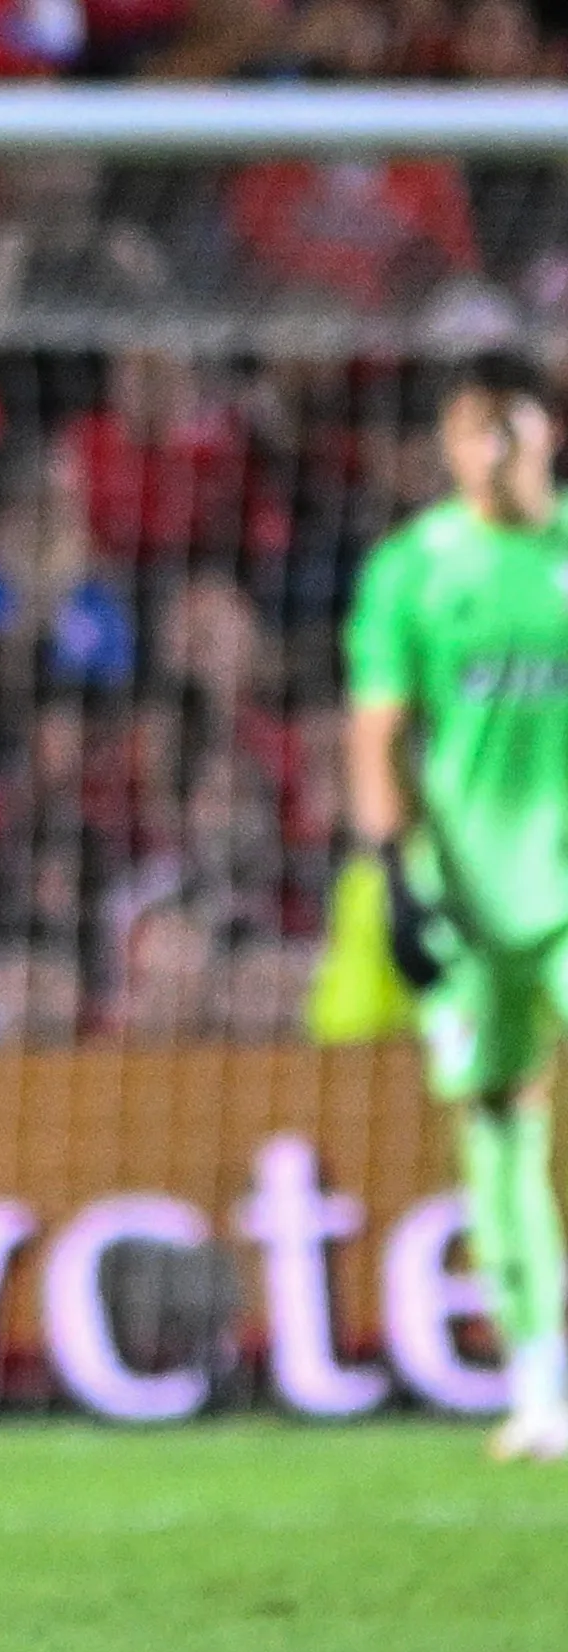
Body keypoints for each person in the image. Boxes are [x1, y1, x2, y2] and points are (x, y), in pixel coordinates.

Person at [345, 353, 568, 1464]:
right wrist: (393, 879)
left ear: (548, 432)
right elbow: (379, 732)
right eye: (469, 432)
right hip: (472, 897)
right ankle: (541, 1382)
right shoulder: (414, 570)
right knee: (499, 1133)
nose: (488, 451)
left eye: (507, 429)